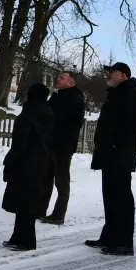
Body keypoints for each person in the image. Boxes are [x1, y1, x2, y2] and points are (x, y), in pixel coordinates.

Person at [85, 62, 136, 257]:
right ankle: (109, 237)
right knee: (110, 196)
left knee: (121, 198)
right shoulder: (116, 93)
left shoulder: (132, 93)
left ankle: (124, 243)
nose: (109, 74)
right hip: (110, 153)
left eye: (112, 72)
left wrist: (115, 143)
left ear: (123, 75)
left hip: (120, 153)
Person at [2, 83, 54, 251]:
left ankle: (27, 241)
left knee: (23, 203)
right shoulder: (49, 114)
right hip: (41, 162)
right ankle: (18, 237)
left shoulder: (27, 116)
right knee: (28, 202)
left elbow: (19, 144)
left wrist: (9, 163)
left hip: (25, 163)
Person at [39, 72, 86, 225]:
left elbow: (75, 124)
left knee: (61, 181)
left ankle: (59, 215)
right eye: (58, 77)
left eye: (62, 78)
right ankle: (39, 210)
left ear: (70, 82)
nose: (58, 79)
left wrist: (60, 136)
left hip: (63, 147)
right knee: (46, 178)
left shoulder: (75, 98)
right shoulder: (57, 96)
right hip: (51, 144)